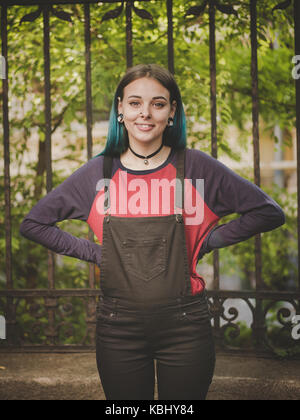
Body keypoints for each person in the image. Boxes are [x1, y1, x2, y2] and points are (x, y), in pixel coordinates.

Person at [20, 63, 285, 400]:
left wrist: (209, 240)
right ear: (120, 109)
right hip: (118, 328)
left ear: (172, 111)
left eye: (158, 104)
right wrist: (97, 253)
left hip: (186, 326)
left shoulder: (196, 168)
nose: (145, 113)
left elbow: (268, 212)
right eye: (134, 103)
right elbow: (34, 224)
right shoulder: (97, 174)